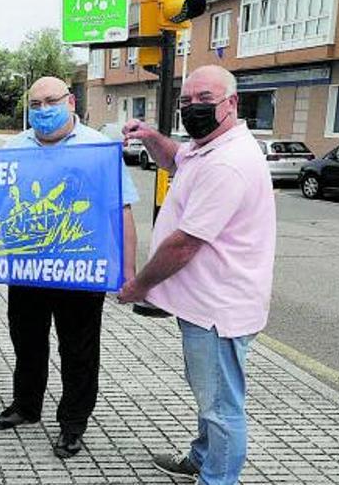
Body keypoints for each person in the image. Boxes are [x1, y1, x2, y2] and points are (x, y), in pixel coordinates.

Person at [118, 65, 276, 485]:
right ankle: (202, 458)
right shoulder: (208, 147)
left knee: (221, 405)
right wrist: (151, 137)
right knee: (210, 396)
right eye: (186, 101)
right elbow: (175, 159)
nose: (193, 109)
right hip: (208, 305)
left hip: (219, 311)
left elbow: (184, 243)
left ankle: (217, 479)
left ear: (231, 103)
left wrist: (140, 285)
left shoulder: (228, 163)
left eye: (204, 100)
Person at [0, 76, 140, 459]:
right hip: (27, 268)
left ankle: (73, 424)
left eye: (50, 101)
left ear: (70, 102)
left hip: (80, 270)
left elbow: (119, 211)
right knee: (27, 341)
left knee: (79, 350)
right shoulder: (15, 147)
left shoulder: (98, 148)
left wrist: (127, 271)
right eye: (35, 104)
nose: (42, 110)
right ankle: (26, 405)